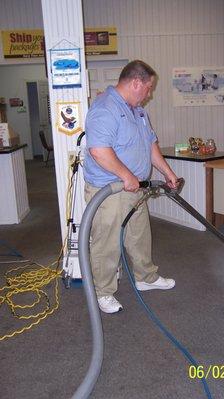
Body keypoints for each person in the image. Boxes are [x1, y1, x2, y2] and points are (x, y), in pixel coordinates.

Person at [83, 60, 179, 314]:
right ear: (136, 83)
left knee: (138, 233)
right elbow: (99, 151)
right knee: (107, 242)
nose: (149, 93)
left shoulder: (138, 110)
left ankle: (145, 277)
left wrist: (168, 173)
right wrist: (126, 175)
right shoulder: (105, 108)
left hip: (135, 188)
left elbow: (150, 145)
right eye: (148, 88)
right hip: (109, 191)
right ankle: (103, 292)